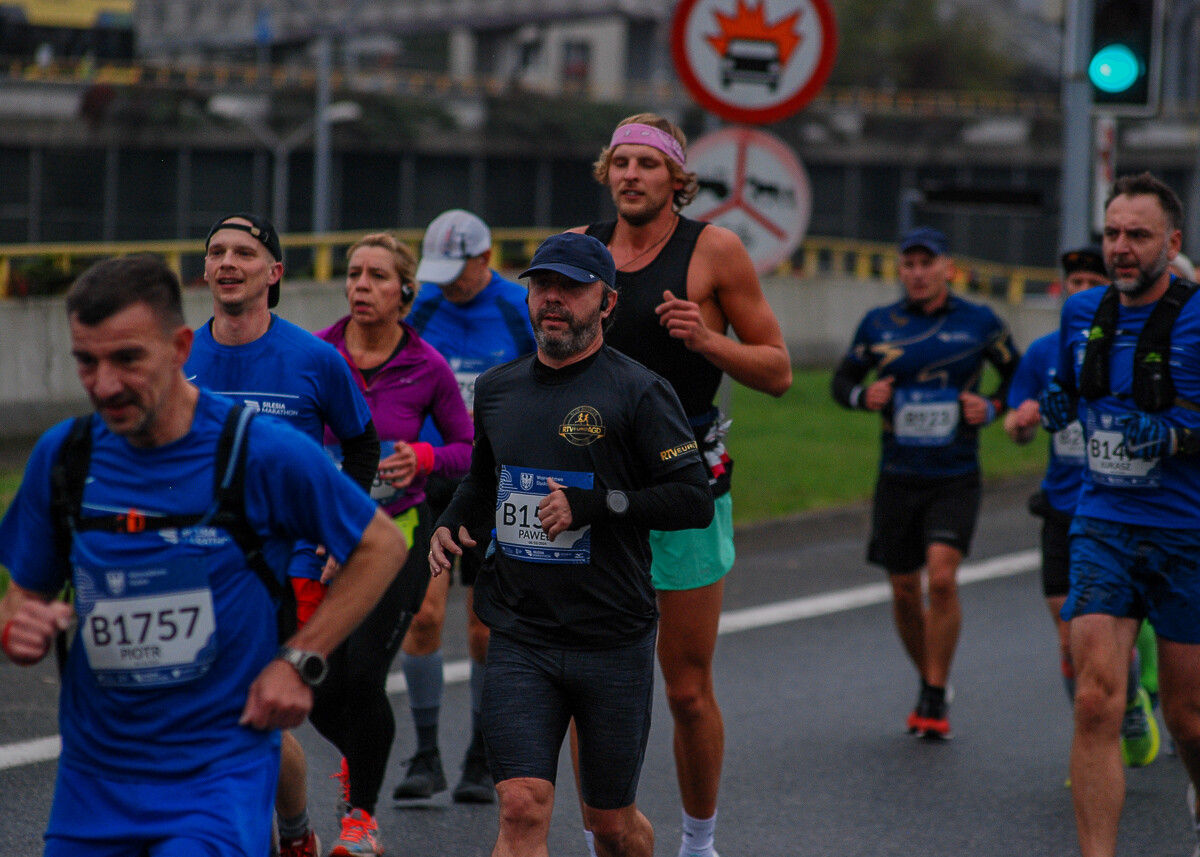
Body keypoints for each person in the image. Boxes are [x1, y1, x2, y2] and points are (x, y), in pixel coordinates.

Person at [0, 254, 407, 857]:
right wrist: (19, 627)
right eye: (87, 361)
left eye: (128, 359)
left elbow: (382, 544)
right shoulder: (65, 458)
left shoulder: (259, 452)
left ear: (180, 346)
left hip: (215, 774)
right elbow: (21, 604)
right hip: (94, 780)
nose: (105, 384)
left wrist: (299, 660)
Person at [429, 231, 714, 857]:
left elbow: (692, 498)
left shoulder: (640, 391)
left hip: (611, 637)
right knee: (521, 806)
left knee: (610, 828)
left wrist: (601, 504)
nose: (553, 299)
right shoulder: (500, 389)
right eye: (542, 285)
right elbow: (485, 475)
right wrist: (451, 518)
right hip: (521, 632)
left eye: (571, 288)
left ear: (607, 303)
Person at [572, 111, 792, 857]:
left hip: (685, 491)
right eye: (621, 162)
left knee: (687, 688)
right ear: (608, 172)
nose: (632, 175)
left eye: (648, 164)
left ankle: (700, 841)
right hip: (594, 498)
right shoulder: (584, 252)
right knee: (588, 685)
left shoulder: (715, 251)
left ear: (677, 179)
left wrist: (706, 339)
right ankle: (607, 832)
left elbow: (780, 371)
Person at [185, 214, 384, 857]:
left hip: (282, 567)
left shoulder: (314, 359)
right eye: (217, 252)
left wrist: (337, 531)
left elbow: (361, 443)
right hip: (192, 567)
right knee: (218, 717)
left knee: (249, 713)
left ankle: (285, 835)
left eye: (244, 252)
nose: (227, 262)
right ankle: (293, 833)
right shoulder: (178, 354)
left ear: (273, 273)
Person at [1036, 172, 1200, 857]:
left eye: (1137, 234)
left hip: (1186, 531)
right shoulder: (1082, 314)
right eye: (1112, 234)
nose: (1121, 248)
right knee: (1097, 699)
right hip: (1101, 521)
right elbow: (1069, 386)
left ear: (1172, 240)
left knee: (1189, 718)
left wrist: (1176, 437)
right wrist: (1053, 403)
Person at [312, 232, 473, 850]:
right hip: (320, 539)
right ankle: (364, 757)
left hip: (397, 538)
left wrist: (425, 456)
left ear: (405, 292)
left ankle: (361, 818)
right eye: (354, 274)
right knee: (313, 681)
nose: (361, 286)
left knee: (361, 678)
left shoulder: (425, 365)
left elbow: (468, 449)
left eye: (378, 276)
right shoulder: (319, 354)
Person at [832, 225, 1020, 740]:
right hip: (897, 476)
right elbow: (841, 382)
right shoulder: (879, 324)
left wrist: (994, 406)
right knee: (902, 591)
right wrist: (861, 398)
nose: (917, 273)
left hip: (955, 474)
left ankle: (933, 696)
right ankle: (930, 674)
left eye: (926, 263)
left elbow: (1017, 375)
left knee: (940, 578)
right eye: (908, 264)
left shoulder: (979, 322)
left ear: (947, 269)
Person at [392, 208, 536, 804]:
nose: (449, 284)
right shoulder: (423, 306)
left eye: (459, 272)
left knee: (483, 627)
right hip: (433, 476)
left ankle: (481, 752)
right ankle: (426, 753)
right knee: (423, 616)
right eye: (440, 273)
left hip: (498, 481)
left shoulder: (516, 306)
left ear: (485, 258)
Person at [1004, 246, 1159, 772]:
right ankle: (1092, 742)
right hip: (1061, 504)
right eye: (1076, 281)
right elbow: (1017, 426)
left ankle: (1127, 711)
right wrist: (1022, 423)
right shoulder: (1046, 351)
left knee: (1113, 636)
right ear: (1065, 289)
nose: (1084, 288)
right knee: (1070, 633)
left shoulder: (1140, 341)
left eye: (1094, 279)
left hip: (1119, 506)